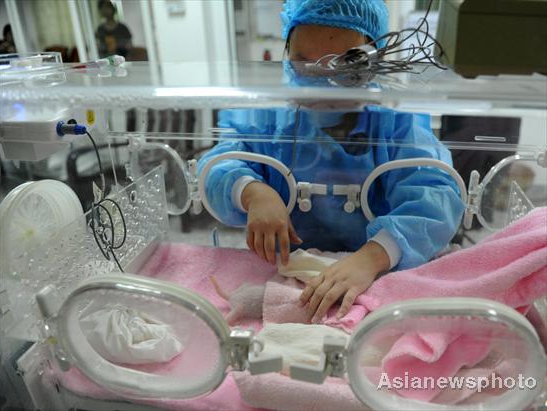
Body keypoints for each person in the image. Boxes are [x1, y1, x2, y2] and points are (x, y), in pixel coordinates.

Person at [198, 0, 465, 323]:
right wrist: (254, 192)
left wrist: (372, 258)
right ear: (286, 55)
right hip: (282, 268)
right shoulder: (265, 116)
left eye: (343, 66)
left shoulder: (394, 123)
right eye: (303, 65)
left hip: (375, 271)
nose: (320, 83)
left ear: (371, 59)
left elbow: (436, 196)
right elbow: (219, 164)